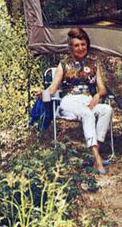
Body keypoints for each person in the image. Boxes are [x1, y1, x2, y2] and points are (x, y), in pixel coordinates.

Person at [40, 27, 112, 174]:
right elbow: (53, 89)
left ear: (87, 45)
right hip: (69, 101)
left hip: (88, 100)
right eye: (76, 45)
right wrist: (43, 95)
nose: (80, 48)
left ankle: (94, 152)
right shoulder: (64, 64)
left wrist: (97, 96)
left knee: (107, 110)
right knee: (87, 114)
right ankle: (97, 160)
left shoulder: (94, 63)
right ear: (71, 47)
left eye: (83, 44)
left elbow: (102, 88)